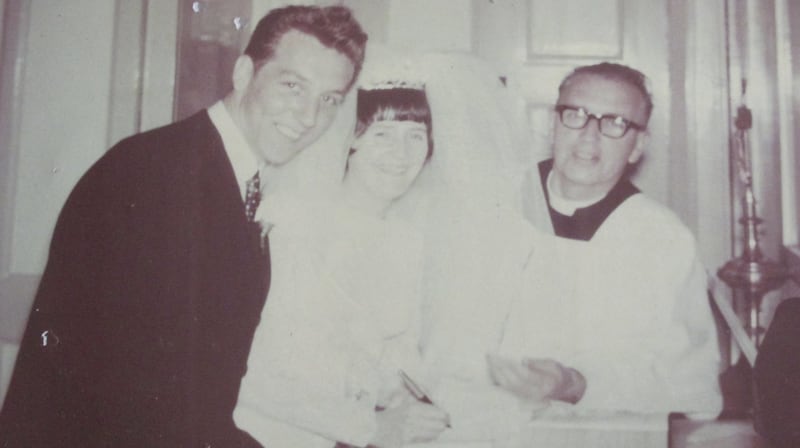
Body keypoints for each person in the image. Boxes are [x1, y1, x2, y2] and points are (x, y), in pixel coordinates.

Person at [0, 5, 366, 447]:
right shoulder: (155, 176)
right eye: (293, 86)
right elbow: (146, 402)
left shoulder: (225, 173)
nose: (309, 117)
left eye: (329, 100)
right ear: (244, 74)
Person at [494, 62, 723, 415]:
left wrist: (575, 384)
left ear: (638, 145)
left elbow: (691, 387)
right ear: (553, 125)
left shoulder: (661, 239)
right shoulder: (495, 205)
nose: (589, 136)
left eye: (615, 123)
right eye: (576, 115)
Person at [232, 76, 449, 447]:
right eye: (382, 133)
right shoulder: (288, 223)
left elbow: (393, 356)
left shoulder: (407, 241)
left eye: (416, 134)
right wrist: (370, 428)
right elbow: (246, 371)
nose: (402, 153)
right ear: (349, 139)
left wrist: (410, 402)